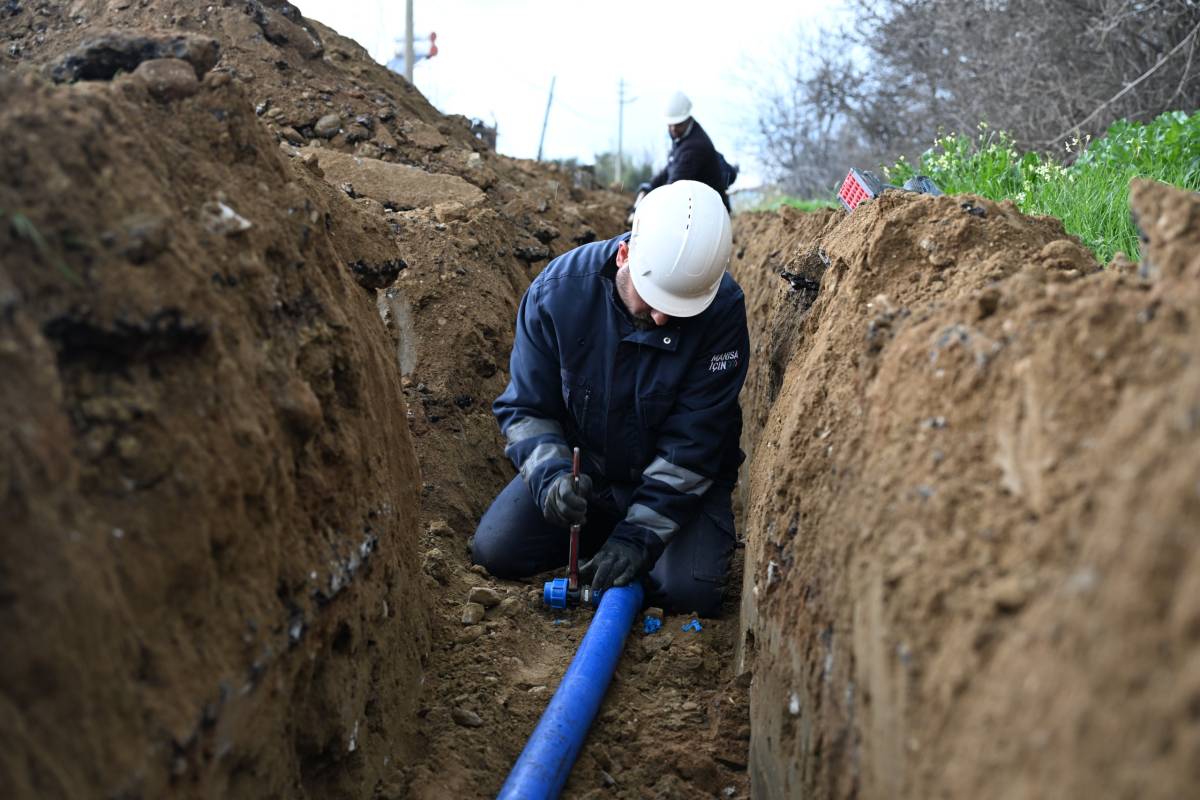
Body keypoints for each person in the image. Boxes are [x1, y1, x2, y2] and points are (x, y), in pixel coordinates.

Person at [471, 181, 749, 617]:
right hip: (590, 475)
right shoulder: (557, 295)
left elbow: (697, 440)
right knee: (496, 551)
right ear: (624, 255)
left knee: (688, 593)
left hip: (680, 488)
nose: (661, 317)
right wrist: (552, 481)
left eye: (679, 308)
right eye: (652, 299)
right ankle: (606, 534)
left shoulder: (722, 311)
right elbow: (526, 409)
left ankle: (635, 543)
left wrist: (639, 536)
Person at [646, 91, 737, 211]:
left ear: (687, 119)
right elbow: (671, 167)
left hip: (710, 212)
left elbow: (674, 186)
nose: (673, 129)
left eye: (678, 124)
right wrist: (650, 186)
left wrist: (651, 204)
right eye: (670, 124)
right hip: (696, 206)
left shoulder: (695, 146)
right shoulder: (683, 136)